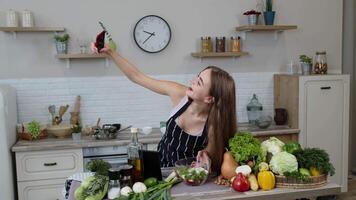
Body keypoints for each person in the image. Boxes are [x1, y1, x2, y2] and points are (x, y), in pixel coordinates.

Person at [97, 45, 237, 173]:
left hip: (187, 177)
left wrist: (205, 158)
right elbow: (137, 77)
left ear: (209, 99)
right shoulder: (179, 94)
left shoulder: (213, 124)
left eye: (199, 82)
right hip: (159, 169)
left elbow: (210, 157)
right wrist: (110, 52)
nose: (193, 81)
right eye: (197, 76)